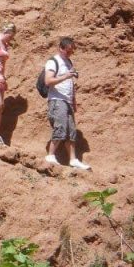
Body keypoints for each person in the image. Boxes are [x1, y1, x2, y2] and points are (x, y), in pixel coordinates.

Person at [43, 37, 91, 170]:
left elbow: (70, 83)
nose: (70, 54)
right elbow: (48, 81)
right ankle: (50, 155)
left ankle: (73, 159)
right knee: (61, 126)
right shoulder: (53, 62)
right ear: (61, 48)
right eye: (68, 51)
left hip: (67, 101)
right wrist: (66, 76)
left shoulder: (68, 62)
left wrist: (73, 100)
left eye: (72, 51)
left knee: (71, 131)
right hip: (57, 99)